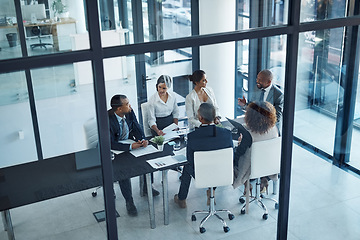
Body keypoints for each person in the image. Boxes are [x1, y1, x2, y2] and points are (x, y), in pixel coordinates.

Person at [174, 103, 233, 208]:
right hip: (223, 174)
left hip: (202, 176)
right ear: (214, 117)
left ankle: (181, 198)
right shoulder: (226, 133)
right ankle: (212, 189)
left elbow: (190, 161)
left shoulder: (192, 137)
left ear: (200, 118)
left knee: (187, 165)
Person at [108, 94, 158, 216]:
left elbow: (136, 126)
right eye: (127, 104)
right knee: (124, 171)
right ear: (119, 109)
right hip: (115, 149)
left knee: (146, 157)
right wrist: (130, 147)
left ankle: (147, 187)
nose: (130, 106)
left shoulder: (129, 112)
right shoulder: (106, 119)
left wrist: (142, 139)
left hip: (129, 142)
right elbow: (109, 143)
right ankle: (129, 201)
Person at [233, 101, 279, 194]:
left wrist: (239, 143)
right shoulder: (275, 129)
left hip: (251, 169)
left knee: (234, 160)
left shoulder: (249, 135)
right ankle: (264, 178)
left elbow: (240, 154)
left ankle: (247, 184)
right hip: (269, 165)